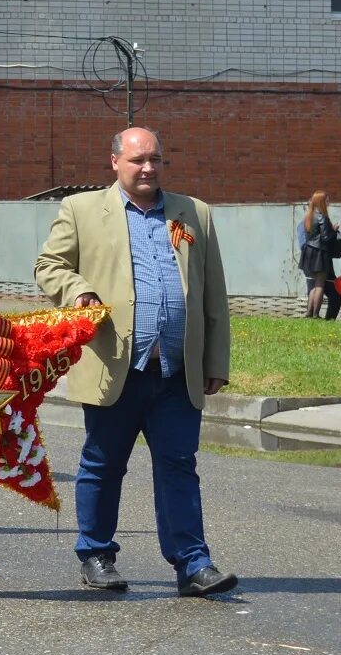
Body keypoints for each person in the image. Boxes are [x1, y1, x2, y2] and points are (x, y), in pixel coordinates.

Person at [35, 126, 238, 597]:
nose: (148, 168)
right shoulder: (82, 211)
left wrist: (215, 360)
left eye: (155, 160)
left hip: (175, 369)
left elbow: (213, 294)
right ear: (114, 163)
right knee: (103, 465)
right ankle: (97, 555)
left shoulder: (193, 213)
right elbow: (49, 265)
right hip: (115, 365)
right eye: (137, 160)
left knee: (179, 465)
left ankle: (193, 564)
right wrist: (79, 291)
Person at [295, 192, 341, 320]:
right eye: (327, 200)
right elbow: (327, 238)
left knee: (312, 284)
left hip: (308, 253)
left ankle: (309, 314)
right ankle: (316, 314)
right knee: (320, 284)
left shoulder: (308, 217)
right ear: (321, 201)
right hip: (320, 254)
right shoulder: (322, 217)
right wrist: (334, 230)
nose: (328, 203)